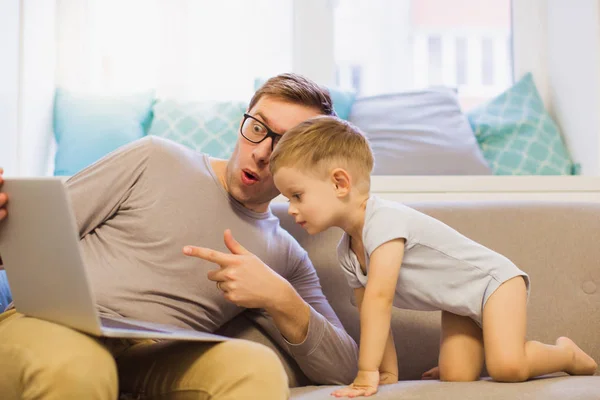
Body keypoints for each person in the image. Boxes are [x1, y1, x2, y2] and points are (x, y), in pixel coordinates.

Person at [0, 74, 359, 400]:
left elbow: (344, 368)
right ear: (242, 123)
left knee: (257, 368)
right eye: (258, 128)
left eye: (285, 145)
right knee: (79, 367)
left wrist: (279, 297)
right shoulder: (154, 157)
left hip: (153, 355)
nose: (263, 152)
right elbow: (30, 233)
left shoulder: (285, 256)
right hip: (54, 325)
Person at [268, 116, 599, 398]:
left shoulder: (384, 221)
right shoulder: (348, 252)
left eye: (297, 195)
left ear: (340, 183)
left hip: (494, 284)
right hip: (459, 302)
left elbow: (380, 300)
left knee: (507, 367)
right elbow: (371, 314)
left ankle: (564, 353)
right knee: (456, 377)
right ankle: (493, 350)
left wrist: (365, 372)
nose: (291, 208)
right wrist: (388, 374)